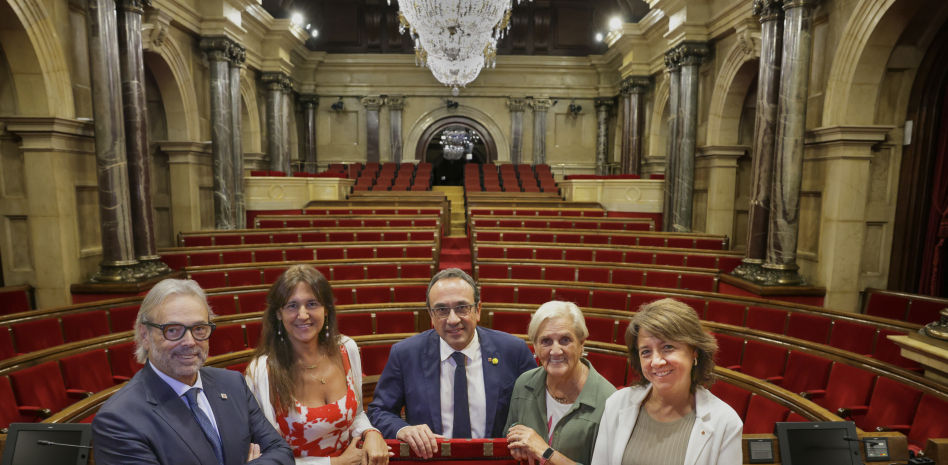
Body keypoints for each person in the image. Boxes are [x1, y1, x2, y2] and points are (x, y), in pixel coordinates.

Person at [92, 279, 293, 465]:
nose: (189, 342)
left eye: (199, 329)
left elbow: (281, 453)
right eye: (172, 330)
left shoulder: (232, 384)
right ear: (145, 335)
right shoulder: (118, 420)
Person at [367, 268, 536, 458]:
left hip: (497, 460)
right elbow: (379, 411)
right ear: (431, 316)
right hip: (432, 461)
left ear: (478, 310)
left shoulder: (513, 351)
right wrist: (403, 430)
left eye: (462, 307)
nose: (453, 320)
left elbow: (537, 408)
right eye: (442, 310)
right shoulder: (406, 354)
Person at [244, 265, 390, 465]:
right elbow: (268, 457)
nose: (303, 315)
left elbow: (356, 414)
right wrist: (336, 463)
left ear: (326, 309)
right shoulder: (261, 371)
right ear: (279, 313)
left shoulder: (347, 349)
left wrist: (371, 432)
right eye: (292, 306)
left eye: (312, 304)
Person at [591, 298, 742, 465]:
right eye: (646, 352)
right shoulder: (617, 403)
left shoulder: (726, 422)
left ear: (695, 352)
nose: (656, 361)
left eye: (667, 347)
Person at [504, 301, 616, 465]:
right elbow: (508, 434)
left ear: (581, 344)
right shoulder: (524, 383)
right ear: (534, 346)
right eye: (546, 341)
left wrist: (545, 452)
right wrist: (515, 442)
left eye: (565, 340)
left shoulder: (609, 401)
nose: (555, 351)